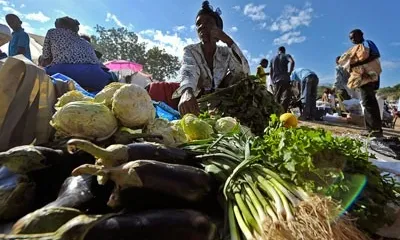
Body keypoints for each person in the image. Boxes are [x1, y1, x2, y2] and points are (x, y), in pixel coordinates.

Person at [175, 1, 250, 115]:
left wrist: (228, 40)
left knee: (236, 78)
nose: (201, 26)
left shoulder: (225, 52)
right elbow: (188, 69)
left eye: (208, 22)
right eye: (198, 23)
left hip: (220, 101)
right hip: (197, 100)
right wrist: (187, 91)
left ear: (218, 30)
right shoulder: (190, 50)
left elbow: (244, 72)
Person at [42, 17, 113, 92]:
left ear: (60, 25)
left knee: (41, 73)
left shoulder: (52, 32)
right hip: (98, 77)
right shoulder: (86, 43)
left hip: (65, 73)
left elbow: (46, 58)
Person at [348, 29, 383, 137]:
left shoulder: (366, 43)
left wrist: (357, 63)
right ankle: (373, 129)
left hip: (368, 78)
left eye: (354, 37)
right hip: (364, 78)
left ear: (361, 35)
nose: (353, 40)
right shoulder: (358, 48)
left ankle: (373, 130)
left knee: (369, 103)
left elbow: (375, 54)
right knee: (368, 102)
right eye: (351, 38)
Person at [270, 46, 295, 112]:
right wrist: (290, 72)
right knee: (286, 98)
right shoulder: (286, 55)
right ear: (284, 51)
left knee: (276, 98)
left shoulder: (272, 59)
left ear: (278, 51)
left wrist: (272, 80)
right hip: (285, 79)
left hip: (276, 80)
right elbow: (292, 62)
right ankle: (283, 113)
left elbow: (271, 71)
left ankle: (276, 114)